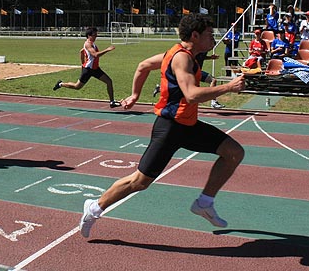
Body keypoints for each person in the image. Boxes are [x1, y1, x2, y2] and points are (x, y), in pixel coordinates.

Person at [79, 13, 245, 238]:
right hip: (169, 128)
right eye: (208, 34)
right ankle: (94, 208)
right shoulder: (181, 58)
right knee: (139, 181)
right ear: (194, 35)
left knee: (234, 153)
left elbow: (144, 65)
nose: (213, 38)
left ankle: (204, 202)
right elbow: (192, 94)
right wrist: (228, 87)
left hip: (188, 125)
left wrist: (135, 94)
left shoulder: (181, 54)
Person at [53, 27, 121, 108]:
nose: (96, 36)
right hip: (88, 70)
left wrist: (82, 62)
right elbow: (95, 55)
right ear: (89, 35)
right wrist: (107, 49)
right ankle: (61, 84)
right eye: (94, 35)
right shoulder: (88, 44)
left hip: (95, 69)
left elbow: (81, 52)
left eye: (96, 35)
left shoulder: (92, 43)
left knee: (109, 81)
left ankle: (112, 102)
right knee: (77, 87)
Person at [153, 52, 225, 109]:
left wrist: (210, 57)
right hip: (192, 71)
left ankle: (160, 88)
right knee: (212, 80)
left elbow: (201, 57)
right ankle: (213, 102)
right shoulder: (198, 48)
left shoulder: (203, 49)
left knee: (180, 87)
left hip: (197, 71)